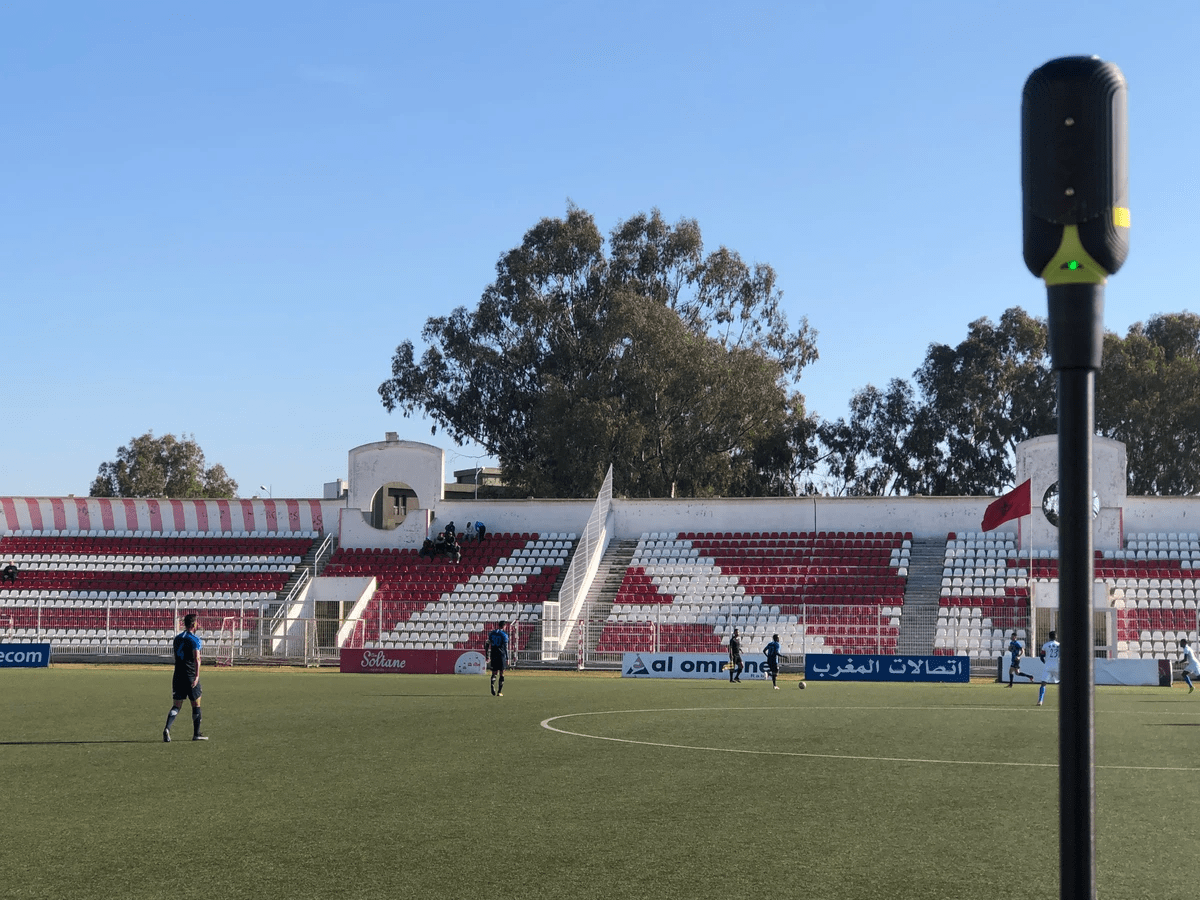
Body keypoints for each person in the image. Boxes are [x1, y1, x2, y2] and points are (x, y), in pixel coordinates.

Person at [164, 613, 208, 742]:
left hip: (177, 675)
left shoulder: (177, 638)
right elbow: (197, 658)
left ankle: (167, 728)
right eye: (197, 622)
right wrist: (197, 676)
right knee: (196, 704)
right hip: (189, 675)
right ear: (193, 624)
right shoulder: (195, 640)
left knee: (176, 705)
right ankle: (196, 734)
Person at [1037, 629, 1060, 707]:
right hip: (1057, 666)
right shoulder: (1059, 645)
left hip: (1048, 666)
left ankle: (1040, 701)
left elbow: (1041, 657)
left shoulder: (1045, 645)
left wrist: (1046, 662)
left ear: (1049, 637)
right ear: (1056, 637)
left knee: (1043, 683)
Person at [487, 620, 509, 697]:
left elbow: (487, 643)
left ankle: (492, 684)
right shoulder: (504, 634)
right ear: (504, 626)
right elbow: (505, 647)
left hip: (493, 654)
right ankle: (499, 692)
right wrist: (507, 658)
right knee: (502, 673)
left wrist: (487, 655)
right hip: (501, 655)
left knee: (494, 673)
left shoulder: (492, 633)